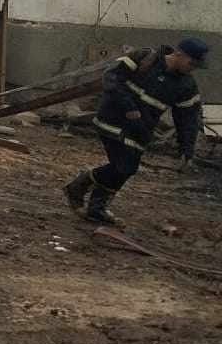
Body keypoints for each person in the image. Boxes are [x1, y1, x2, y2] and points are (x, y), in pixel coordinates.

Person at [65, 39, 207, 224]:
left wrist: (186, 151)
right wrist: (129, 107)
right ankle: (80, 188)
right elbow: (111, 77)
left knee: (125, 169)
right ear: (179, 54)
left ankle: (95, 207)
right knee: (125, 166)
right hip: (113, 120)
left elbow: (187, 120)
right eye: (192, 63)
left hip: (140, 130)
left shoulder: (186, 85)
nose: (193, 68)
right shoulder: (144, 58)